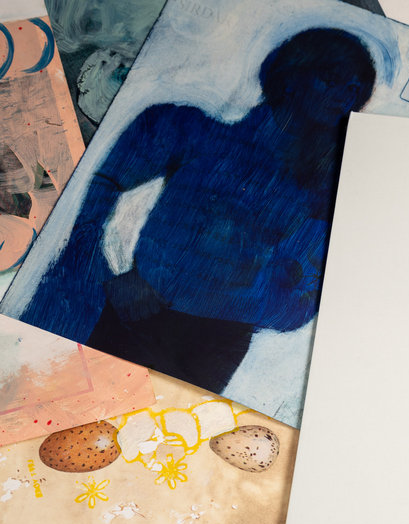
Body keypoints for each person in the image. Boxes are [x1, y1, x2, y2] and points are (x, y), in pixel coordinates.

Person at [3, 28, 378, 391]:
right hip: (140, 315)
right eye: (332, 78)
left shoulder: (322, 191)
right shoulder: (191, 130)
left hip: (216, 345)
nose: (342, 96)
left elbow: (303, 300)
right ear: (292, 75)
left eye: (354, 89)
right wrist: (116, 270)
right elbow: (102, 187)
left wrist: (247, 300)